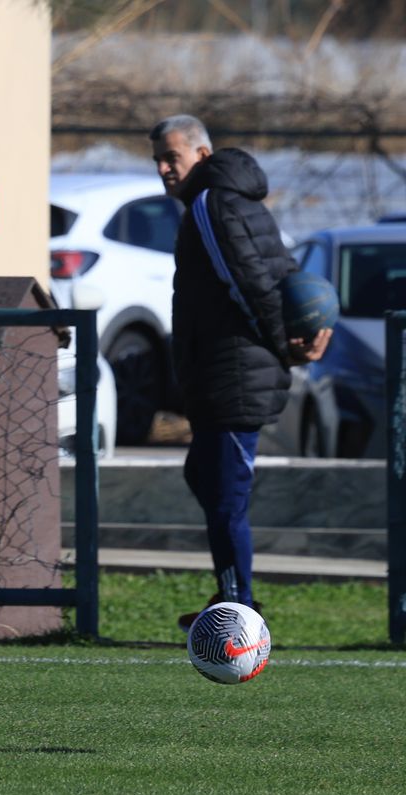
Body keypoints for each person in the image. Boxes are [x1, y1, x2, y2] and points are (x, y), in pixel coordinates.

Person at [147, 114, 330, 630]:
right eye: (158, 159)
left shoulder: (209, 202)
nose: (163, 168)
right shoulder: (237, 198)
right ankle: (235, 593)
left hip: (234, 374)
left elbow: (249, 282)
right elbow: (285, 270)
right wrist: (304, 330)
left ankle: (238, 609)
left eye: (172, 157)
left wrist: (289, 343)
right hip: (225, 373)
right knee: (203, 476)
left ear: (202, 157)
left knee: (225, 494)